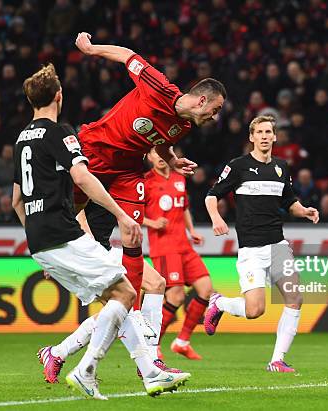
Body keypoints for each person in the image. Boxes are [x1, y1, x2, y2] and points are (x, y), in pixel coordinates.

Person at [12, 64, 188, 399]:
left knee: (118, 299)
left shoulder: (22, 139)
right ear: (59, 96)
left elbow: (16, 200)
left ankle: (133, 370)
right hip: (65, 234)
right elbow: (81, 178)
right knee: (125, 295)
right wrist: (121, 214)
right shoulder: (60, 133)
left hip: (40, 241)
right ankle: (96, 369)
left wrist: (36, 239)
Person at [71, 32, 226, 363]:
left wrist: (170, 159)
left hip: (126, 172)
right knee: (75, 220)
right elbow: (128, 54)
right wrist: (92, 48)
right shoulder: (159, 86)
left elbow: (159, 142)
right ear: (202, 100)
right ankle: (59, 250)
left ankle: (141, 328)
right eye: (214, 110)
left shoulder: (183, 126)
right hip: (95, 154)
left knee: (132, 231)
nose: (214, 117)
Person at [203, 115, 319, 373]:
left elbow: (290, 203)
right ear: (251, 137)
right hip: (251, 249)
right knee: (255, 310)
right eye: (260, 132)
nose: (265, 136)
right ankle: (219, 303)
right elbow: (212, 196)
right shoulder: (238, 166)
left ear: (275, 137)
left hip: (277, 244)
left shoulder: (281, 168)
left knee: (295, 298)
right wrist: (216, 218)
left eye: (269, 132)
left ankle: (277, 360)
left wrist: (306, 211)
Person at [143, 149, 214, 360]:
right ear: (149, 157)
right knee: (176, 296)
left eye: (165, 152)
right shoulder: (145, 182)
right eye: (156, 153)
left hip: (184, 245)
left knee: (206, 289)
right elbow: (131, 214)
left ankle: (182, 342)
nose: (161, 157)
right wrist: (152, 223)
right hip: (164, 248)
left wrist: (191, 231)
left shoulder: (178, 178)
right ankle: (153, 344)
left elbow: (183, 208)